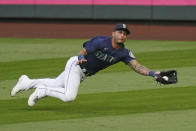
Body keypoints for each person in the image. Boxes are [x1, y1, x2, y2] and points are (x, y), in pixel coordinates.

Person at [11, 24, 160, 106]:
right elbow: (83, 50)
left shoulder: (124, 53)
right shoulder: (101, 41)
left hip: (84, 74)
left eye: (125, 34)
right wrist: (81, 57)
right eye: (120, 32)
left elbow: (137, 66)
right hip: (76, 66)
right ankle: (42, 91)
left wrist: (154, 73)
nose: (122, 35)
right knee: (69, 96)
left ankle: (27, 82)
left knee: (57, 83)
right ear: (113, 33)